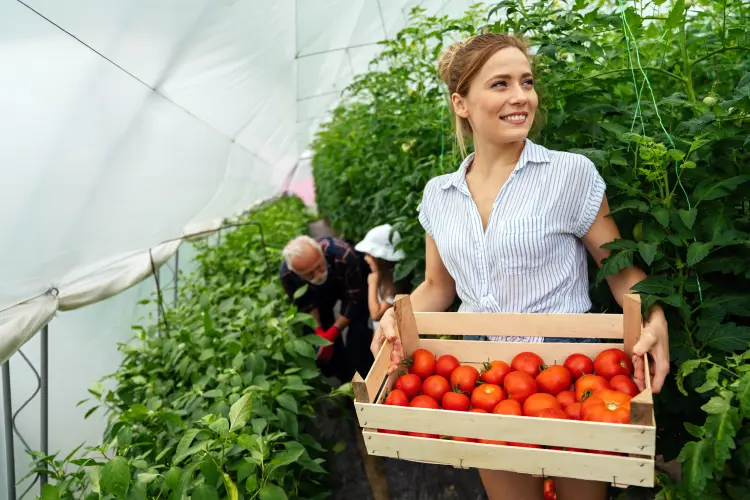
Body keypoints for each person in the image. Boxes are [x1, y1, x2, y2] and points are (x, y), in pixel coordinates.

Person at [369, 33, 670, 500]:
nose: (521, 97)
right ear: (461, 104)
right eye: (500, 84)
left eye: (526, 82)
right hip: (483, 380)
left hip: (570, 374)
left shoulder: (569, 175)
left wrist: (654, 315)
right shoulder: (439, 195)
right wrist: (394, 313)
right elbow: (437, 288)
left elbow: (622, 270)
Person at [279, 235, 374, 382]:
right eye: (309, 273)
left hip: (345, 281)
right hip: (317, 295)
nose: (318, 275)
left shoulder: (342, 255)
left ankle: (366, 375)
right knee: (328, 352)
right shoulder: (287, 274)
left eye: (319, 266)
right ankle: (345, 382)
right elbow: (307, 304)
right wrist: (320, 332)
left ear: (321, 253)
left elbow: (354, 299)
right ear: (297, 273)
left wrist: (333, 332)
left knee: (359, 334)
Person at [354, 224, 411, 332]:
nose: (366, 258)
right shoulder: (384, 277)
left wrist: (372, 283)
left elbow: (376, 314)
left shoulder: (394, 284)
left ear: (381, 258)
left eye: (369, 255)